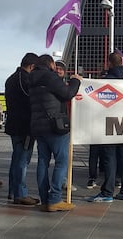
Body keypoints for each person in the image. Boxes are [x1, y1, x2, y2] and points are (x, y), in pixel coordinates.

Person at [29, 54, 81, 212]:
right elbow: (67, 93)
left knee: (43, 162)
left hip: (38, 126)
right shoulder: (50, 77)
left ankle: (45, 200)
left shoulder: (31, 79)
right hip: (55, 126)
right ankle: (55, 199)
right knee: (61, 161)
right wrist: (75, 80)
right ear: (51, 64)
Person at [87, 52, 123, 202]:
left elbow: (95, 100)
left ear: (109, 63)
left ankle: (107, 192)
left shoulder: (106, 80)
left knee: (109, 158)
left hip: (108, 124)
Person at [5, 52, 39, 205]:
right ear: (32, 66)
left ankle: (13, 191)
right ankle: (20, 193)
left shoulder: (11, 78)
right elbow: (31, 100)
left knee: (16, 158)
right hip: (24, 126)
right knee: (22, 160)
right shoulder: (25, 80)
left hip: (13, 124)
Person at [55, 60, 78, 192]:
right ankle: (58, 184)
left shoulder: (67, 86)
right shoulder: (51, 85)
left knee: (65, 156)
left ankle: (64, 181)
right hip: (54, 125)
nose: (58, 70)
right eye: (56, 68)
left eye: (61, 69)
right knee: (59, 158)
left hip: (66, 124)